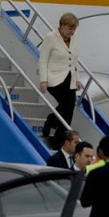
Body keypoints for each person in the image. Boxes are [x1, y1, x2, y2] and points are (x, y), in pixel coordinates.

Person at [39, 12, 81, 140]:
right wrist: (43, 80)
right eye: (70, 28)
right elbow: (43, 59)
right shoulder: (51, 37)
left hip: (70, 78)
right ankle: (51, 123)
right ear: (62, 26)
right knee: (65, 105)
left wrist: (78, 79)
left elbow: (74, 60)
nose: (72, 31)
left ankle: (59, 138)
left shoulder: (75, 38)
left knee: (69, 108)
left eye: (74, 29)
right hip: (54, 78)